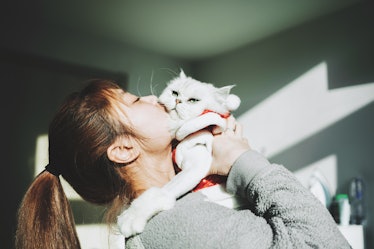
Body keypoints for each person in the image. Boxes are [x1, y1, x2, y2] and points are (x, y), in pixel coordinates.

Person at [15, 79, 350, 249]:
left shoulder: (170, 212)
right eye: (134, 100)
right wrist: (243, 161)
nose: (153, 98)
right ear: (123, 149)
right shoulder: (173, 222)